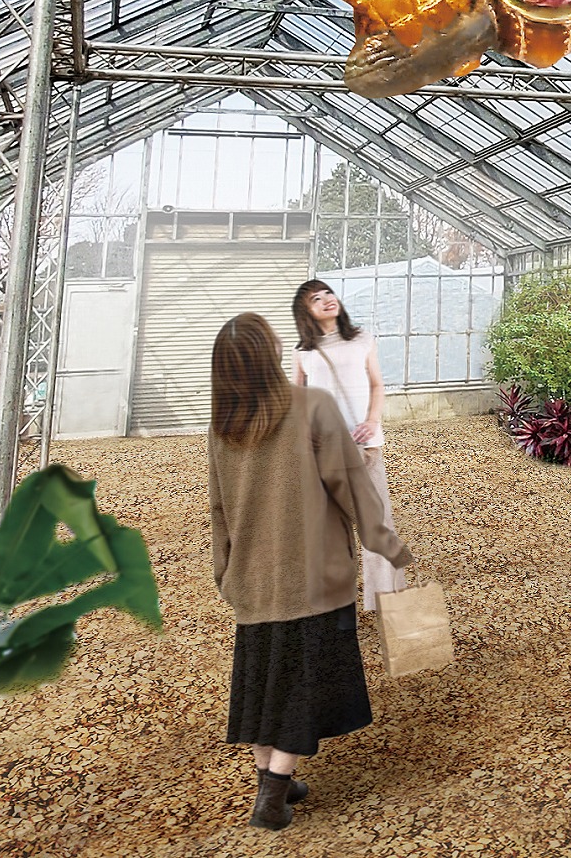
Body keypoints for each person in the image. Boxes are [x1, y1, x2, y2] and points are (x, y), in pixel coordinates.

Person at [208, 313, 415, 830]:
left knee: (263, 684)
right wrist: (388, 545)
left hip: (253, 581)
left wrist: (226, 573)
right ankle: (272, 797)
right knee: (302, 684)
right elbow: (351, 486)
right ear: (270, 354)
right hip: (315, 577)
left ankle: (273, 780)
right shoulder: (311, 406)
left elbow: (218, 508)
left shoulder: (222, 426)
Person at [292, 279, 406, 612]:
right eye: (316, 298)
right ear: (306, 313)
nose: (327, 299)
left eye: (328, 293)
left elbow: (377, 385)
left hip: (364, 447)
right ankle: (334, 610)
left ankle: (387, 605)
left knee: (378, 525)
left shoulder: (362, 339)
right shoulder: (304, 352)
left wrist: (372, 421)